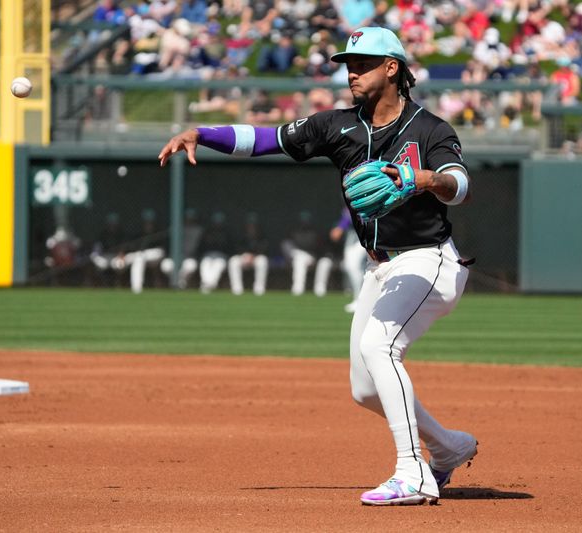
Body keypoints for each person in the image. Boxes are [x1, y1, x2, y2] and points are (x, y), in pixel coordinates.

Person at [158, 26, 477, 506]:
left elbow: (459, 184)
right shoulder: (338, 127)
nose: (351, 70)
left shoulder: (430, 129)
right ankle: (449, 447)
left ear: (393, 68)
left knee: (379, 345)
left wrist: (422, 178)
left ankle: (412, 472)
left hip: (429, 260)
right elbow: (266, 139)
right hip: (383, 269)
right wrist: (203, 134)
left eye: (363, 62)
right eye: (347, 63)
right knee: (364, 388)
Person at [280, 210, 333, 296]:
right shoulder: (294, 232)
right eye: (303, 221)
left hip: (314, 257)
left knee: (325, 262)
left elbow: (322, 250)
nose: (304, 223)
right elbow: (286, 245)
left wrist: (316, 258)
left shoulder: (316, 232)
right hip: (300, 257)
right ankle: (298, 289)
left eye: (306, 221)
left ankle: (320, 289)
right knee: (299, 259)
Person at [330, 207, 365, 313]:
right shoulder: (346, 195)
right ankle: (360, 299)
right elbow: (348, 213)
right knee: (352, 267)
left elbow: (351, 213)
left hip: (364, 235)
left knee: (354, 266)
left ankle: (361, 300)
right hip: (353, 236)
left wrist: (340, 227)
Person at [228, 212, 270, 295]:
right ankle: (237, 289)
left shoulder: (262, 236)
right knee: (233, 261)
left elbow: (264, 249)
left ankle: (259, 289)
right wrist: (244, 255)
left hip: (256, 258)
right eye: (249, 225)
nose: (251, 227)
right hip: (243, 258)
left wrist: (253, 256)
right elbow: (236, 248)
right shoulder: (241, 235)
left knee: (262, 261)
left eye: (253, 225)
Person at [129, 208, 167, 293]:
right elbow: (134, 247)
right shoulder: (139, 233)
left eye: (150, 222)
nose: (148, 224)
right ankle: (136, 288)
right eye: (146, 222)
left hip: (157, 253)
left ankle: (137, 288)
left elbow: (164, 247)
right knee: (138, 258)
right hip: (143, 256)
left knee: (139, 257)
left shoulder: (159, 231)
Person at [198, 211, 232, 293]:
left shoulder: (227, 233)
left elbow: (231, 248)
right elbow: (200, 247)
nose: (217, 225)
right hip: (208, 255)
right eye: (216, 223)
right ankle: (207, 283)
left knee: (218, 264)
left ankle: (210, 284)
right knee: (205, 263)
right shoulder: (207, 232)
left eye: (219, 223)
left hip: (222, 256)